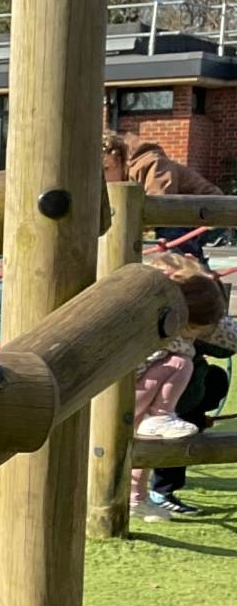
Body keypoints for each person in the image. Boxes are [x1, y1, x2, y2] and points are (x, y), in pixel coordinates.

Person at [130, 267, 234, 521]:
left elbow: (227, 339)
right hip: (140, 395)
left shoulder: (174, 322)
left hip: (152, 396)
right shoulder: (168, 335)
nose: (198, 336)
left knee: (143, 445)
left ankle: (137, 498)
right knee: (182, 365)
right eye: (197, 330)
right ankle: (149, 492)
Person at [104, 130, 222, 259]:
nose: (102, 177)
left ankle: (188, 267)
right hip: (181, 216)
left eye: (105, 169)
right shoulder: (124, 176)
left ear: (119, 160)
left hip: (209, 212)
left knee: (170, 235)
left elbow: (159, 205)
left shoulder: (152, 163)